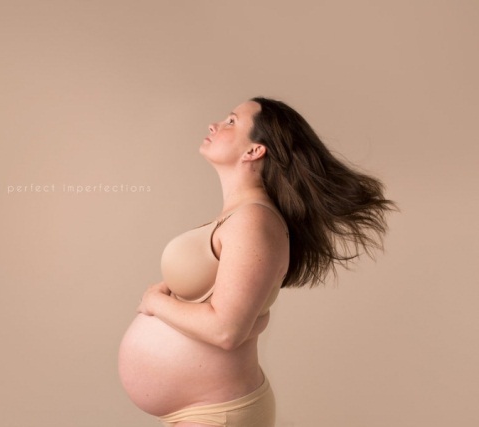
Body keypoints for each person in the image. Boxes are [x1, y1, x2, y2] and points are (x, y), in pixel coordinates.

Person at [118, 97, 395, 427]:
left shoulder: (254, 221)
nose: (214, 125)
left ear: (254, 150)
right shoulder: (240, 217)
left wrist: (155, 302)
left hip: (215, 412)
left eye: (231, 121)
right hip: (205, 409)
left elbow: (226, 331)